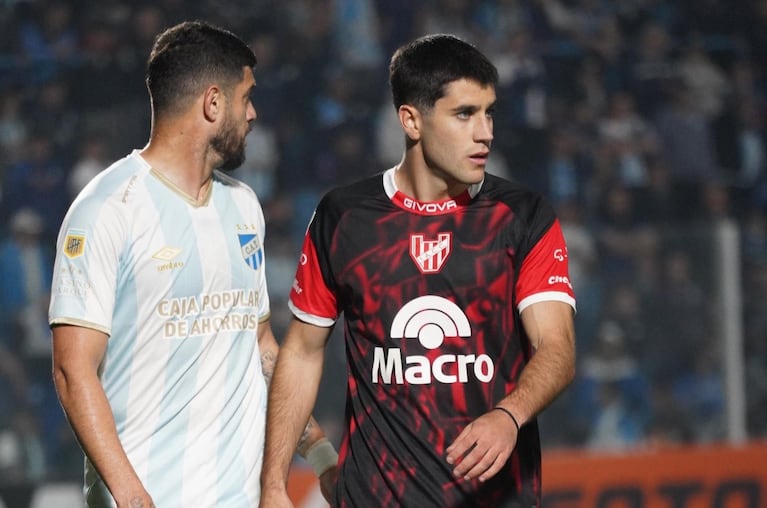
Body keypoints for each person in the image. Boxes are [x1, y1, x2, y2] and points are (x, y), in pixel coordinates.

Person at [260, 34, 577, 507]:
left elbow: (558, 348)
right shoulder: (344, 217)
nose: (485, 131)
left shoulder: (522, 216)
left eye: (489, 112)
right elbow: (302, 352)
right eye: (465, 114)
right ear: (411, 120)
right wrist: (273, 484)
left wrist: (509, 415)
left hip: (493, 497)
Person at [49, 21, 336, 508]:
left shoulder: (244, 206)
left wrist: (322, 454)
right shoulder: (105, 211)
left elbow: (262, 348)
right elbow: (73, 371)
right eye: (245, 97)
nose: (253, 113)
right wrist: (132, 497)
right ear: (213, 103)